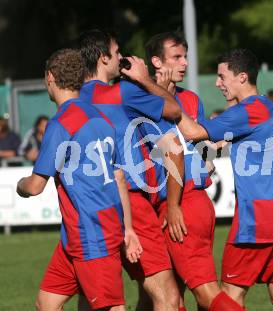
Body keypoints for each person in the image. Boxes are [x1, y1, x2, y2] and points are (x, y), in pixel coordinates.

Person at [177, 49, 273, 311]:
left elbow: (192, 131)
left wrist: (167, 101)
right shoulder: (266, 106)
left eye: (221, 76)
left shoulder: (247, 111)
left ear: (242, 77)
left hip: (258, 214)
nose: (218, 83)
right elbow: (216, 140)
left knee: (229, 295)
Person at [16, 48, 142, 311]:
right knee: (47, 303)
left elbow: (36, 185)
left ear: (50, 77)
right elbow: (119, 177)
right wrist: (128, 228)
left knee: (110, 307)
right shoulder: (100, 117)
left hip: (92, 232)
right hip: (80, 233)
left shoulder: (62, 123)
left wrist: (20, 186)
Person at [77, 29, 182, 311]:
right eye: (117, 52)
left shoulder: (73, 101)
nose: (122, 57)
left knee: (96, 298)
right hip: (131, 201)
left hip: (88, 207)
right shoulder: (121, 92)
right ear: (103, 59)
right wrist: (144, 79)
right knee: (168, 297)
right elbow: (174, 110)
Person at [143, 30, 243, 311]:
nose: (185, 63)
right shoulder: (142, 98)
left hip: (183, 204)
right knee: (171, 294)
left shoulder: (186, 100)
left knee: (205, 294)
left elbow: (186, 153)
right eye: (177, 57)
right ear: (156, 62)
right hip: (179, 206)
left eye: (185, 56)